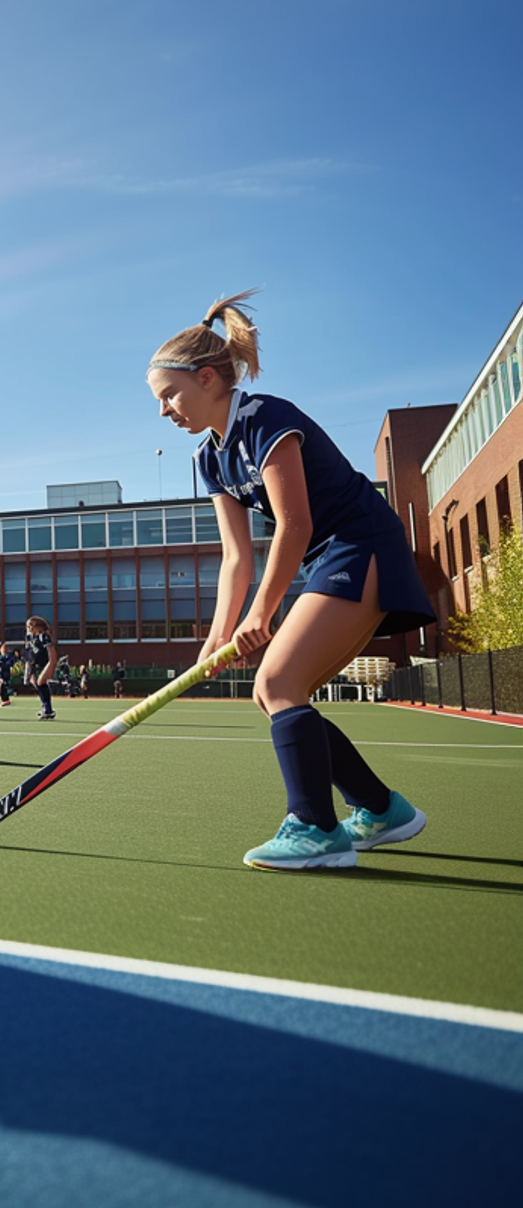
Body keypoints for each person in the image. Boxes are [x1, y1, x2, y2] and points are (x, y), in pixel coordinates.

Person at [148, 292, 435, 872]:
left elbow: (296, 523)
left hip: (361, 543)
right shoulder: (209, 459)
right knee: (272, 691)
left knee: (278, 680)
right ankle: (380, 810)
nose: (164, 411)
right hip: (327, 555)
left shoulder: (265, 418)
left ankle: (315, 827)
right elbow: (236, 560)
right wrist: (215, 640)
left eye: (169, 395)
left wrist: (261, 615)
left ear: (207, 378)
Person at [24, 615, 56, 719]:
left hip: (45, 663)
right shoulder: (29, 637)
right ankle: (47, 709)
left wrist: (51, 665)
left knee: (41, 682)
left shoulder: (44, 636)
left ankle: (48, 710)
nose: (28, 628)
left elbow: (52, 653)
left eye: (30, 625)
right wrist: (27, 669)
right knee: (37, 683)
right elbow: (28, 654)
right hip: (34, 664)